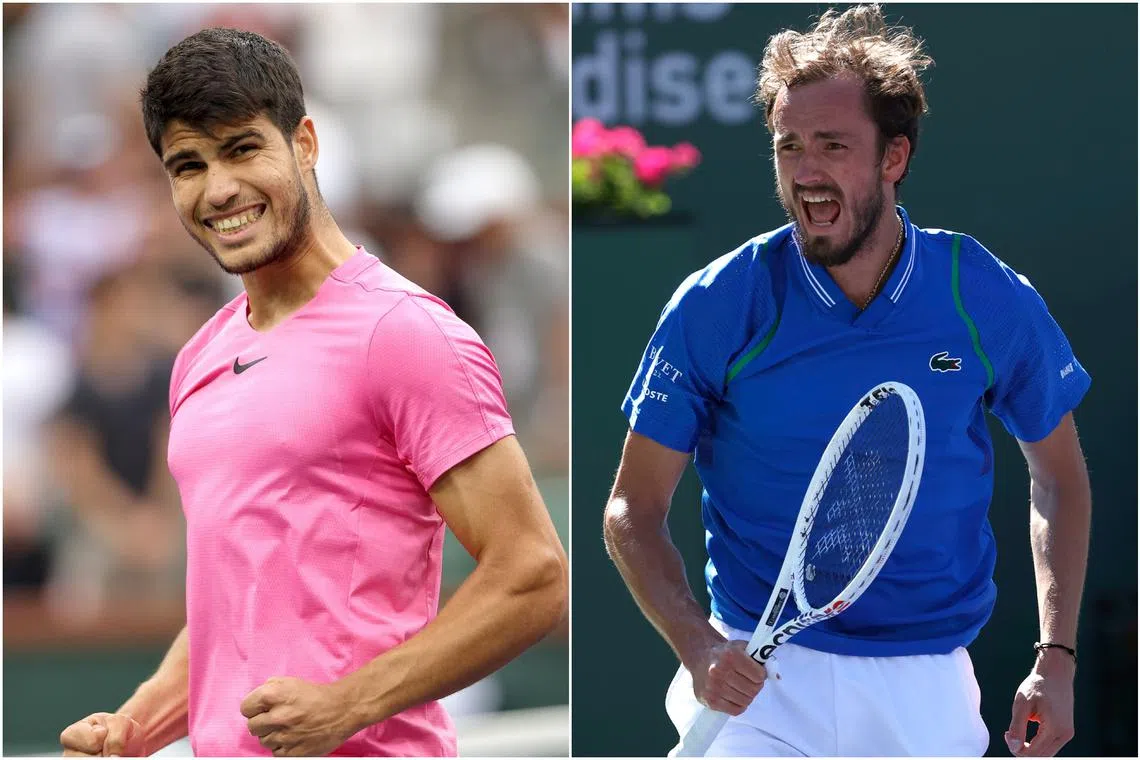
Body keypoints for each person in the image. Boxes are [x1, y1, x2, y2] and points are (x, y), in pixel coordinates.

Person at [59, 27, 567, 758]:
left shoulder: (407, 332)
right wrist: (133, 726)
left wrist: (348, 704)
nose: (219, 188)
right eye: (188, 165)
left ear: (304, 143)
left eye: (241, 149)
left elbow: (532, 575)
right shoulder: (201, 354)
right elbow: (233, 608)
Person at [603, 5, 1090, 757]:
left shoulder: (981, 293)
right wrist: (696, 645)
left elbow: (1058, 478)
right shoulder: (721, 301)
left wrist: (1054, 659)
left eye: (833, 145)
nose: (805, 171)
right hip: (756, 680)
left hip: (925, 686)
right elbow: (632, 508)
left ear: (894, 158)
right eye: (788, 146)